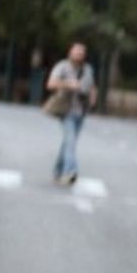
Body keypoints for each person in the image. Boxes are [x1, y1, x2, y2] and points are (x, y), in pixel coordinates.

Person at [46, 42, 97, 186]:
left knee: (69, 142)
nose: (79, 55)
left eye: (81, 53)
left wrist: (93, 97)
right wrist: (68, 84)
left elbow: (91, 85)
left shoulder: (87, 69)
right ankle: (70, 172)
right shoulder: (62, 66)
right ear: (70, 53)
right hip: (66, 110)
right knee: (70, 141)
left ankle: (58, 171)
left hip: (81, 111)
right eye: (76, 52)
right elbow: (50, 84)